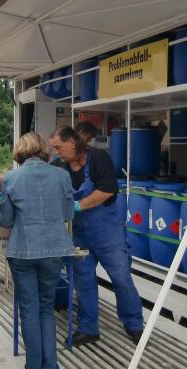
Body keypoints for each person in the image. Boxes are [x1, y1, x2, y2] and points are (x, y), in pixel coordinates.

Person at [49, 126, 144, 346]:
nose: (55, 152)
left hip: (107, 233)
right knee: (83, 281)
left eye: (58, 147)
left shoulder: (99, 158)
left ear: (72, 142)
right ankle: (88, 328)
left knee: (121, 277)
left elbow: (108, 190)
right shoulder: (57, 166)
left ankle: (135, 325)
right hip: (79, 235)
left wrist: (78, 205)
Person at [0, 133, 74, 369]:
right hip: (54, 249)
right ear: (44, 150)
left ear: (21, 151)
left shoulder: (11, 178)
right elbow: (66, 213)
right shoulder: (62, 176)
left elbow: (5, 221)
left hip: (23, 249)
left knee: (29, 309)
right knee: (46, 308)